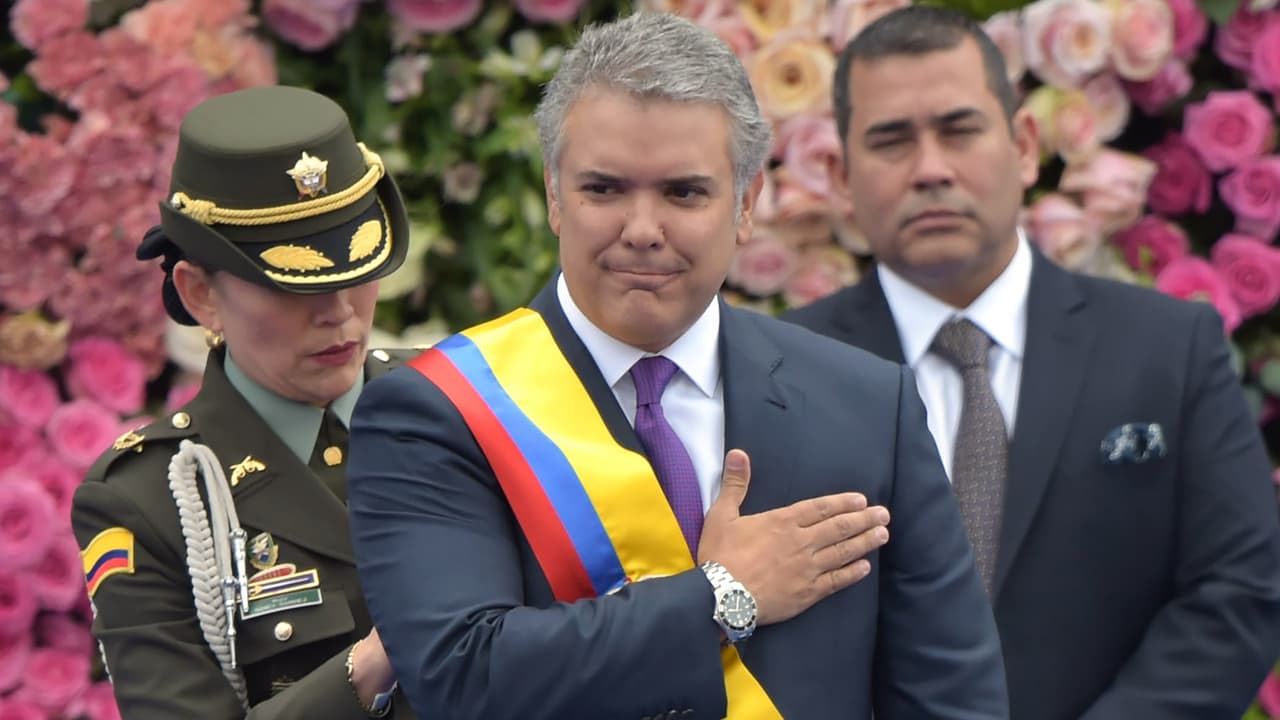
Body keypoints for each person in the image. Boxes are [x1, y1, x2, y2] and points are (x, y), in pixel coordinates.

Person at [346, 11, 1007, 720]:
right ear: (554, 196)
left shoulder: (867, 403)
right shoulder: (437, 410)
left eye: (683, 193)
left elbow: (950, 701)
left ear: (746, 204)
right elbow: (459, 676)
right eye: (604, 189)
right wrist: (722, 594)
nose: (642, 230)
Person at [782, 6, 1280, 719]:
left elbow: (1239, 590)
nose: (931, 169)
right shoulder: (786, 371)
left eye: (960, 130)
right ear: (839, 175)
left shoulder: (1168, 350)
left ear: (1022, 146)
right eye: (891, 141)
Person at [72, 85, 419, 719]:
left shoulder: (461, 398)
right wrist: (379, 659)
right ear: (200, 295)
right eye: (294, 286)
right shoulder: (152, 497)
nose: (340, 312)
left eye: (355, 270)